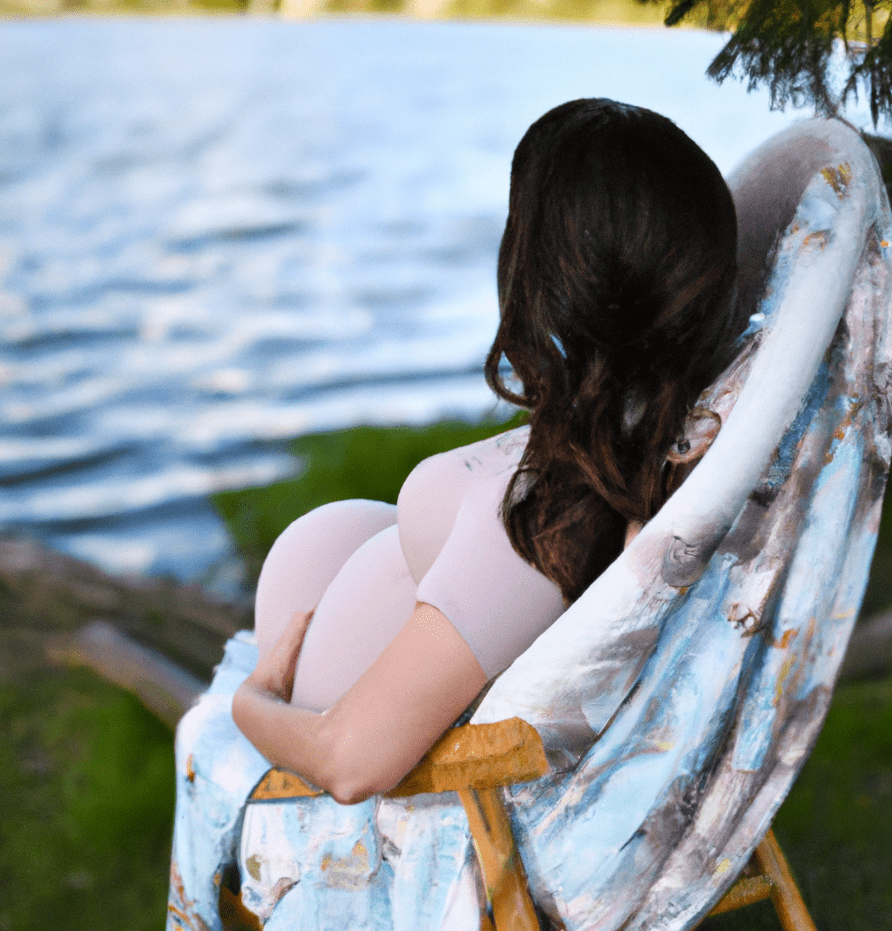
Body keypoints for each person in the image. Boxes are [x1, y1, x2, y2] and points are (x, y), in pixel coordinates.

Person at [231, 97, 739, 806]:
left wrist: (250, 706)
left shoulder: (547, 516)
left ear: (559, 275)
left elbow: (349, 762)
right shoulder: (637, 421)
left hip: (340, 729)